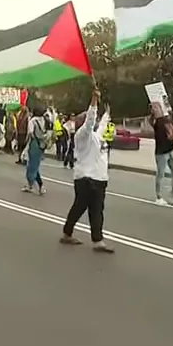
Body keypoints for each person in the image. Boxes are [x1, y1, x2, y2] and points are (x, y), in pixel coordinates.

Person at [60, 89, 114, 253]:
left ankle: (97, 241)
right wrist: (94, 101)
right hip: (86, 179)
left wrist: (107, 114)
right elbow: (91, 120)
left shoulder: (96, 136)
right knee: (80, 207)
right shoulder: (82, 135)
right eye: (91, 119)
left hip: (99, 179)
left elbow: (101, 125)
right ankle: (67, 233)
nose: (95, 121)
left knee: (96, 210)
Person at [150, 102, 173, 206]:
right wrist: (152, 114)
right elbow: (152, 121)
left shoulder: (167, 119)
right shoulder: (155, 121)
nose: (155, 109)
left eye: (156, 107)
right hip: (161, 153)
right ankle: (158, 197)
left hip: (170, 150)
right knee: (161, 174)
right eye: (153, 108)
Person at [21, 105, 49, 195]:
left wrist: (26, 144)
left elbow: (30, 133)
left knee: (31, 166)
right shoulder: (44, 120)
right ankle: (35, 186)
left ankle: (34, 185)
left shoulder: (33, 121)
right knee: (35, 165)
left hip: (34, 144)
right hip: (42, 144)